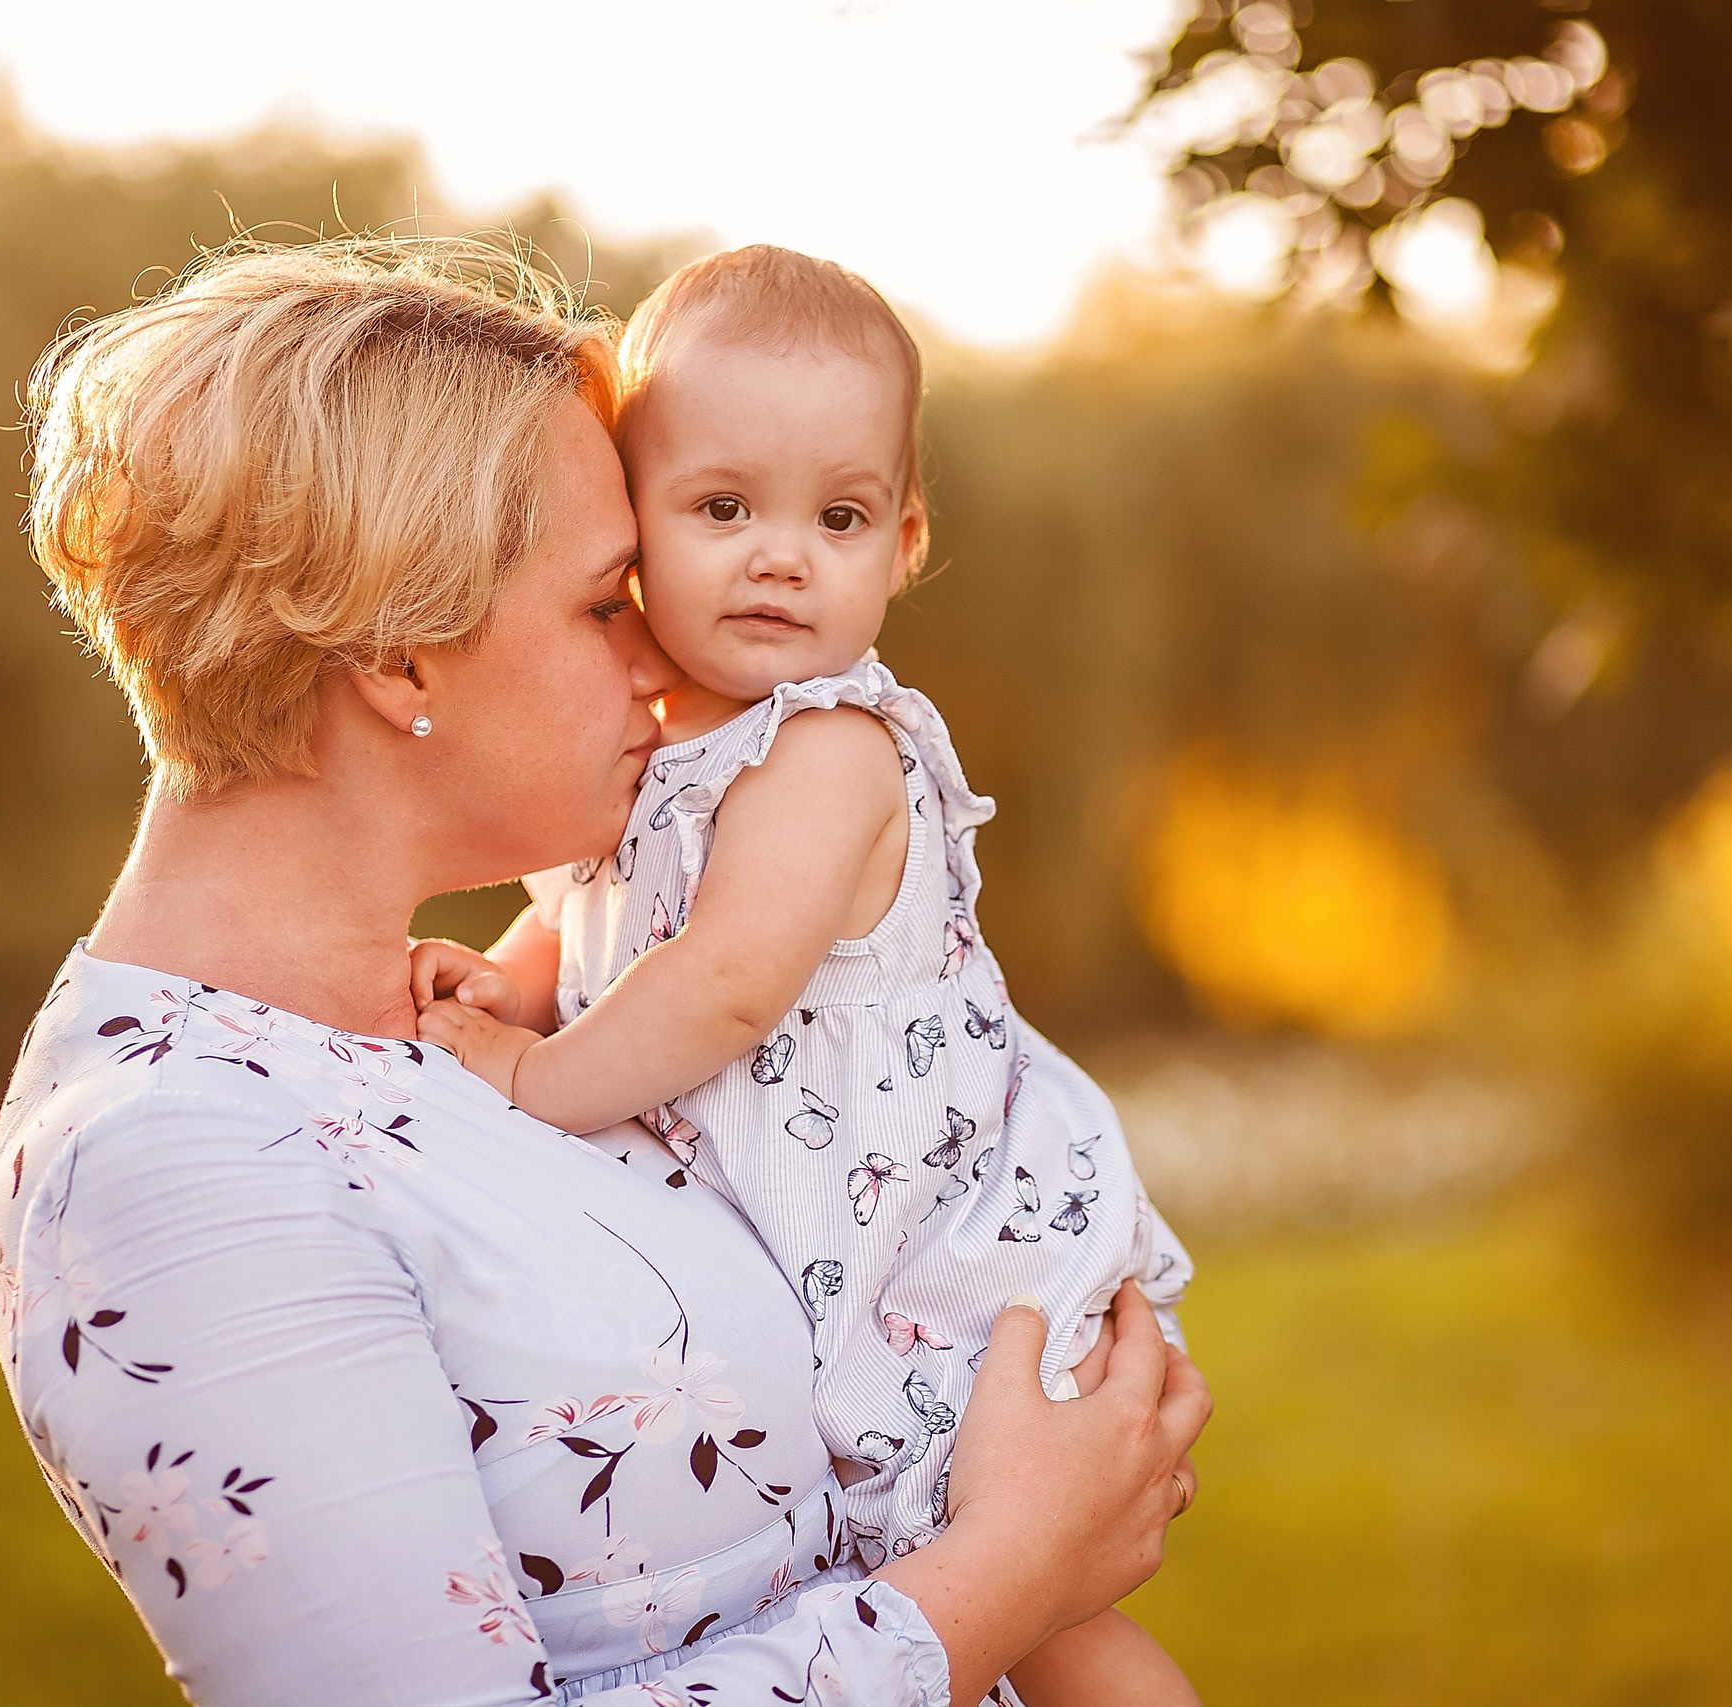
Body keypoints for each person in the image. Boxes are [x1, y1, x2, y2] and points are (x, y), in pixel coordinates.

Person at [0, 237, 1210, 1707]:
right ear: (397, 656)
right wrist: (1014, 1568)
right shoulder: (172, 1159)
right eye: (604, 595)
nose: (662, 654)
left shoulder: (467, 1014)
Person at [411, 247, 1196, 1705]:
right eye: (724, 509)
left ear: (901, 545)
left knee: (1037, 1592)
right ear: (629, 523)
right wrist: (518, 982)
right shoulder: (651, 740)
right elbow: (602, 923)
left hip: (940, 1244)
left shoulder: (829, 751)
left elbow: (721, 985)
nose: (782, 555)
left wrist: (532, 1074)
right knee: (937, 1593)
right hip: (832, 1224)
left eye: (836, 517)